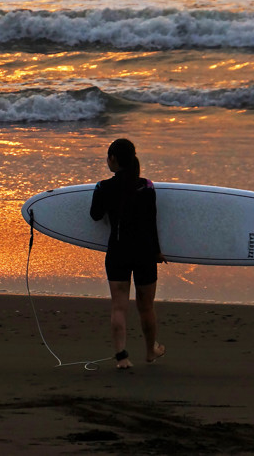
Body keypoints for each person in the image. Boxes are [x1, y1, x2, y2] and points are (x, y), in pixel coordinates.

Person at [89, 138, 166, 369]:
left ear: (113, 159)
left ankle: (122, 357)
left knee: (119, 306)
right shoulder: (147, 187)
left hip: (118, 251)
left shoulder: (103, 187)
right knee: (146, 306)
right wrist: (157, 252)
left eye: (108, 157)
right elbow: (151, 223)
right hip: (144, 253)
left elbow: (95, 215)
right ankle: (151, 351)